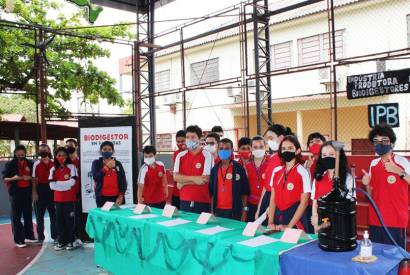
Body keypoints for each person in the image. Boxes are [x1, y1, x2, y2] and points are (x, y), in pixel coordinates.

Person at [362, 124, 410, 249]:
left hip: (396, 220)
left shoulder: (402, 162)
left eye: (384, 141)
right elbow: (371, 194)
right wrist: (366, 184)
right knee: (377, 255)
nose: (380, 144)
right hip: (376, 219)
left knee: (396, 257)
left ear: (392, 143)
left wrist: (399, 172)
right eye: (376, 142)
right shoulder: (373, 164)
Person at [267, 135, 311, 231]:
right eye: (283, 148)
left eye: (290, 148)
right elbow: (273, 199)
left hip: (295, 218)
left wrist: (289, 226)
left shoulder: (302, 172)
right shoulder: (276, 171)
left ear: (297, 151)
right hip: (278, 216)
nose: (286, 151)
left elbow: (304, 203)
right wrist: (270, 222)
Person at [310, 141, 354, 233]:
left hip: (340, 223)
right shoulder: (318, 178)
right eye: (324, 155)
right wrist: (315, 218)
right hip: (320, 224)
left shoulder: (348, 178)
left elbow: (350, 205)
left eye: (331, 154)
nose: (327, 157)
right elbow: (315, 202)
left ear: (338, 156)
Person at [2, 145, 36, 248]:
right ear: (15, 154)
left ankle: (29, 235)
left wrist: (29, 177)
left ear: (25, 153)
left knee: (28, 215)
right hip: (16, 193)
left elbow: (34, 177)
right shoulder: (10, 164)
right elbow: (5, 179)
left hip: (27, 192)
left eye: (22, 154)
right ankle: (19, 239)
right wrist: (14, 178)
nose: (20, 155)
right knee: (16, 216)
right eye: (18, 154)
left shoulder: (30, 163)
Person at [174, 125, 213, 213]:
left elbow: (205, 179)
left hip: (202, 201)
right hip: (184, 200)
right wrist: (195, 178)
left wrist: (183, 182)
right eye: (187, 137)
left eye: (193, 137)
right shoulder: (180, 156)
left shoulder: (207, 155)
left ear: (199, 139)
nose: (190, 139)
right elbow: (175, 177)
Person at [256, 124, 292, 220]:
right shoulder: (272, 157)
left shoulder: (288, 159)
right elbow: (265, 185)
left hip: (279, 201)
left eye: (271, 138)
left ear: (281, 138)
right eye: (268, 139)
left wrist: (273, 206)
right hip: (267, 199)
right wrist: (259, 208)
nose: (269, 142)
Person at [209, 138, 249, 221]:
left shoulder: (239, 168)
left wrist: (244, 211)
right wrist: (212, 211)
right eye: (221, 149)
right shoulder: (214, 169)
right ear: (217, 150)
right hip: (218, 211)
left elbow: (245, 192)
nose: (223, 151)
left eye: (227, 149)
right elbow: (212, 193)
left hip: (235, 211)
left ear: (232, 150)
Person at [49, 147, 79, 250]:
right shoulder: (53, 169)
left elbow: (72, 182)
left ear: (67, 156)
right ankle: (62, 241)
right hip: (58, 200)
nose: (62, 157)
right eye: (59, 155)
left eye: (64, 155)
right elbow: (51, 186)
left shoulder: (72, 167)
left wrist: (58, 184)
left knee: (69, 221)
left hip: (69, 199)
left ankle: (71, 241)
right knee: (59, 221)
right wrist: (65, 186)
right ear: (55, 157)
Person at [32, 144, 57, 243]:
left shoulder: (54, 163)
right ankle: (40, 237)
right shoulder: (36, 164)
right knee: (39, 216)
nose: (43, 152)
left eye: (45, 150)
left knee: (53, 216)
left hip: (52, 190)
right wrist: (34, 192)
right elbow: (34, 179)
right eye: (41, 150)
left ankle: (55, 236)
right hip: (40, 190)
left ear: (49, 151)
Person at [91, 141, 127, 207]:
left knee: (117, 217)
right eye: (104, 149)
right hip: (102, 198)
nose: (107, 151)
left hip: (117, 198)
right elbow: (96, 177)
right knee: (103, 217)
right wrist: (106, 167)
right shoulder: (96, 163)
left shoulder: (118, 164)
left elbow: (123, 180)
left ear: (113, 151)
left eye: (109, 149)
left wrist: (121, 195)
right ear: (100, 151)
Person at [245, 136, 269, 222]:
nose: (258, 149)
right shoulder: (247, 165)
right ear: (251, 148)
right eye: (255, 147)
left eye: (261, 147)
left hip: (266, 204)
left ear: (265, 147)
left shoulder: (270, 164)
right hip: (251, 203)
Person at [171, 130, 186, 208]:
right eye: (178, 141)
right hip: (176, 189)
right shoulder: (176, 153)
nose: (180, 143)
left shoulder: (191, 152)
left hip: (187, 188)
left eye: (182, 141)